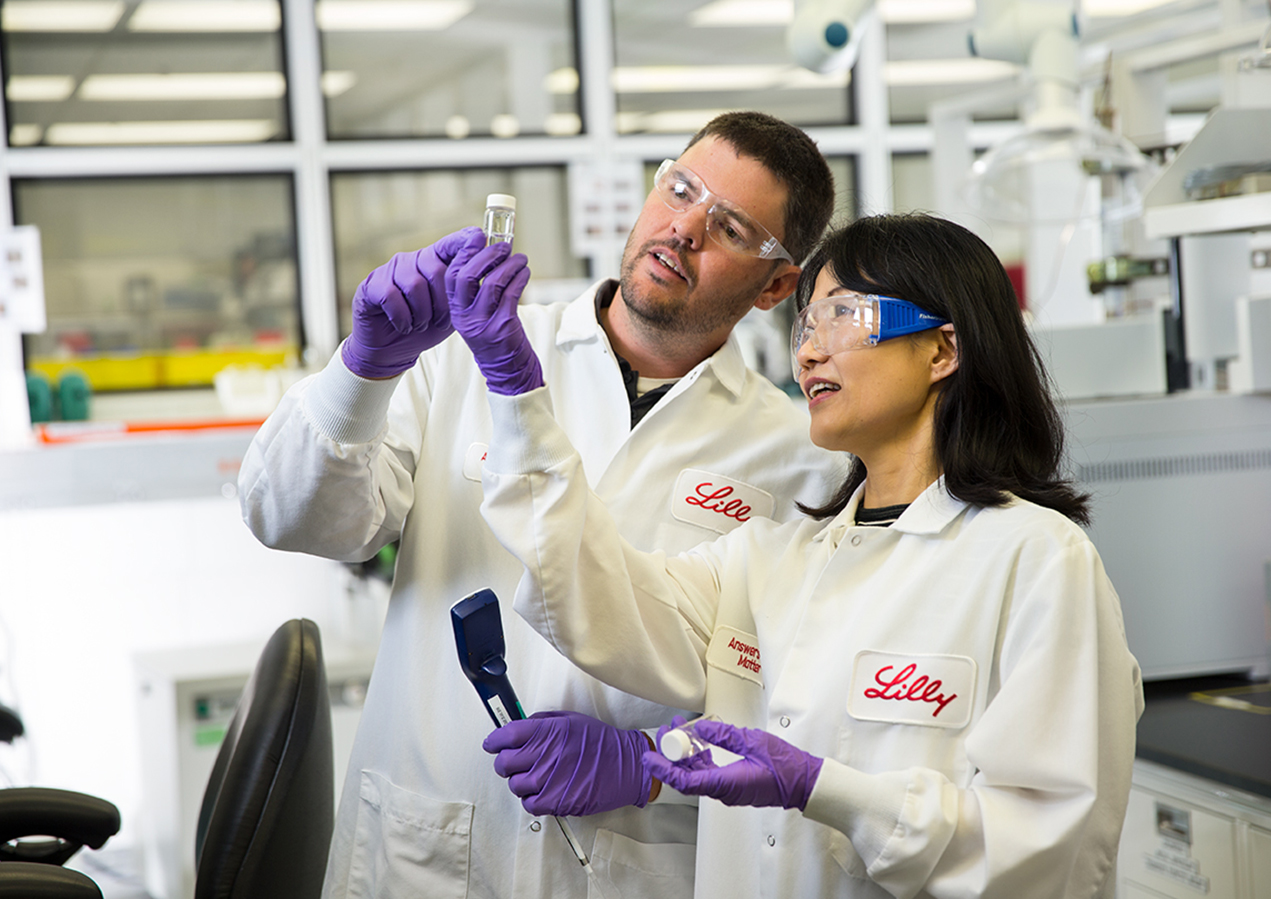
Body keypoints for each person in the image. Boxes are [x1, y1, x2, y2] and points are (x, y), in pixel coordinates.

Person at [237, 110, 847, 899]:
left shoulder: (797, 453)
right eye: (681, 188)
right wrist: (363, 369)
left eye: (728, 226)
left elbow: (801, 706)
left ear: (776, 285)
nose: (683, 227)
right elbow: (289, 518)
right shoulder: (465, 352)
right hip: (429, 846)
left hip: (630, 859)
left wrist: (656, 759)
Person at [467, 212, 1146, 898]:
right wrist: (516, 394)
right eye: (805, 326)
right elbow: (594, 594)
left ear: (942, 350)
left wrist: (825, 788)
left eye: (843, 316)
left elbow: (1055, 850)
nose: (810, 354)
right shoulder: (766, 558)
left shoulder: (1035, 558)